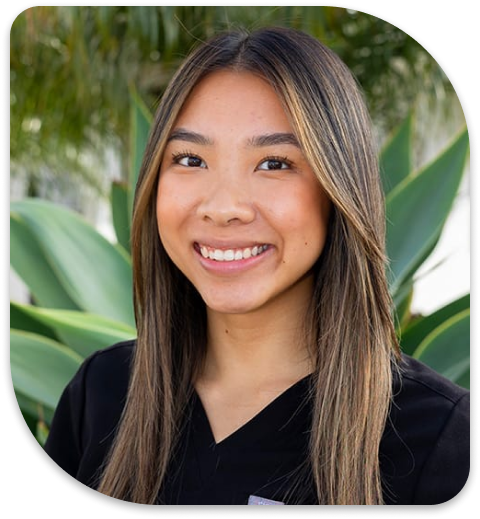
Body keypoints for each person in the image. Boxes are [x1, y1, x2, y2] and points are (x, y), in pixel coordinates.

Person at [44, 26, 470, 506]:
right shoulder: (101, 395)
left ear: (338, 191)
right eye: (189, 158)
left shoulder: (436, 437)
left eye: (274, 164)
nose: (224, 207)